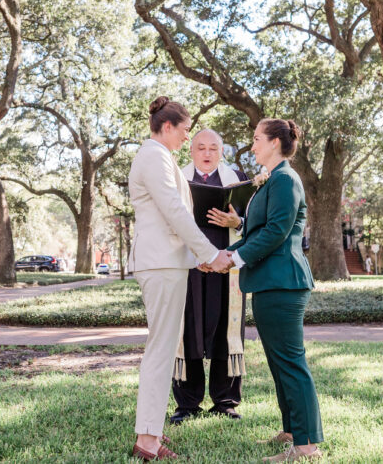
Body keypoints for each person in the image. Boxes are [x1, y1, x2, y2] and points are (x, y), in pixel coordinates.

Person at [127, 97, 234, 461]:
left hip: (169, 262)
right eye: (186, 131)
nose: (187, 138)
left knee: (160, 348)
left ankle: (149, 433)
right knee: (160, 350)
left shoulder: (159, 156)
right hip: (159, 265)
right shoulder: (154, 156)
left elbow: (171, 217)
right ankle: (148, 440)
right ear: (168, 126)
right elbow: (174, 212)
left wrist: (195, 260)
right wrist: (210, 254)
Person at [225, 118, 324, 462]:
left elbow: (277, 232)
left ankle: (307, 447)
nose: (252, 146)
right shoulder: (271, 181)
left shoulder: (284, 179)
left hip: (283, 282)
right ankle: (292, 431)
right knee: (279, 362)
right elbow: (260, 226)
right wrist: (236, 230)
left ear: (274, 143)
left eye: (256, 139)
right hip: (269, 282)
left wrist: (234, 259)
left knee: (291, 363)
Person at [169, 129, 248, 425]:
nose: (206, 153)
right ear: (191, 150)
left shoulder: (237, 179)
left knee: (225, 331)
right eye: (200, 147)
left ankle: (225, 401)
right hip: (188, 267)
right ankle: (187, 403)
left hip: (227, 268)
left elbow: (255, 223)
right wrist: (197, 256)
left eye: (213, 148)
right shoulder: (177, 178)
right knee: (187, 329)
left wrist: (237, 221)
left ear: (222, 151)